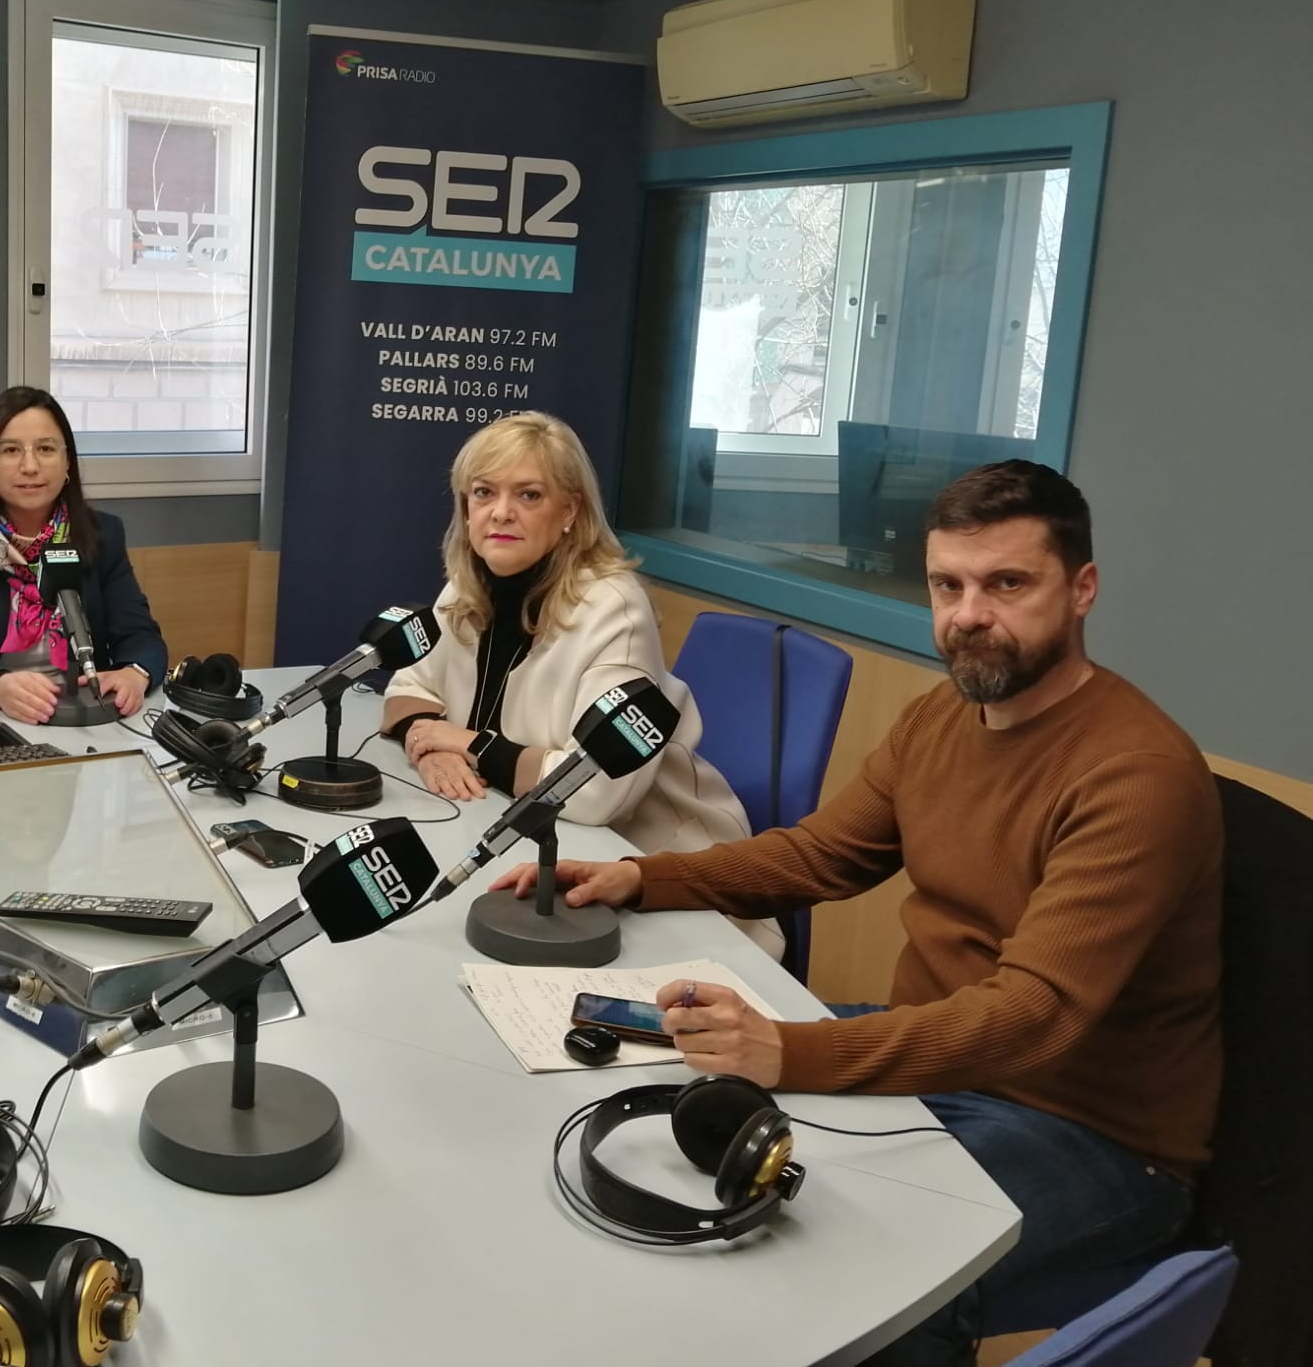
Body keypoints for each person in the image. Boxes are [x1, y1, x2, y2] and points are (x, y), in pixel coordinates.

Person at [489, 460, 1220, 1367]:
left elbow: (1035, 1015)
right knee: (654, 1075)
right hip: (945, 1061)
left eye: (1007, 584)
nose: (969, 615)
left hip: (1089, 1129)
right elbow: (822, 856)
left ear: (1082, 590)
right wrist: (648, 879)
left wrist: (796, 1052)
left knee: (870, 1271)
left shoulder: (1135, 775)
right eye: (948, 586)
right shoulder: (940, 721)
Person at [381, 411, 752, 875]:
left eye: (529, 495)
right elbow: (409, 686)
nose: (500, 512)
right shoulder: (467, 589)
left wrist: (468, 743)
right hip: (510, 826)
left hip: (649, 859)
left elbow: (596, 790)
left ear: (570, 512)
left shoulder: (612, 608)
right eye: (484, 492)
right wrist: (430, 745)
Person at [0, 386, 167, 724]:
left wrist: (135, 672)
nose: (30, 465)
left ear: (67, 460)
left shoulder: (102, 535)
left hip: (75, 718)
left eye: (45, 448)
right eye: (11, 450)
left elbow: (141, 635)